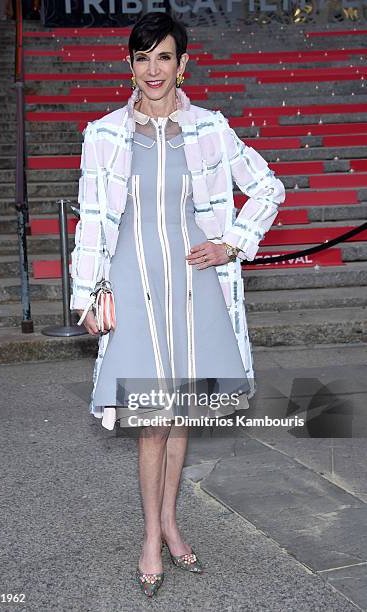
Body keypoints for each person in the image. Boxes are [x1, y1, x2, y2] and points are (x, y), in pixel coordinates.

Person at [70, 12, 285, 597]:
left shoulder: (211, 129)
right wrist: (89, 293)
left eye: (163, 57)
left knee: (180, 411)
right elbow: (92, 222)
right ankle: (151, 533)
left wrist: (231, 243)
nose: (153, 69)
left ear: (182, 64)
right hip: (133, 287)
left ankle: (170, 520)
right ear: (130, 66)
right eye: (142, 58)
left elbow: (268, 186)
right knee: (151, 422)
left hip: (192, 288)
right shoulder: (104, 135)